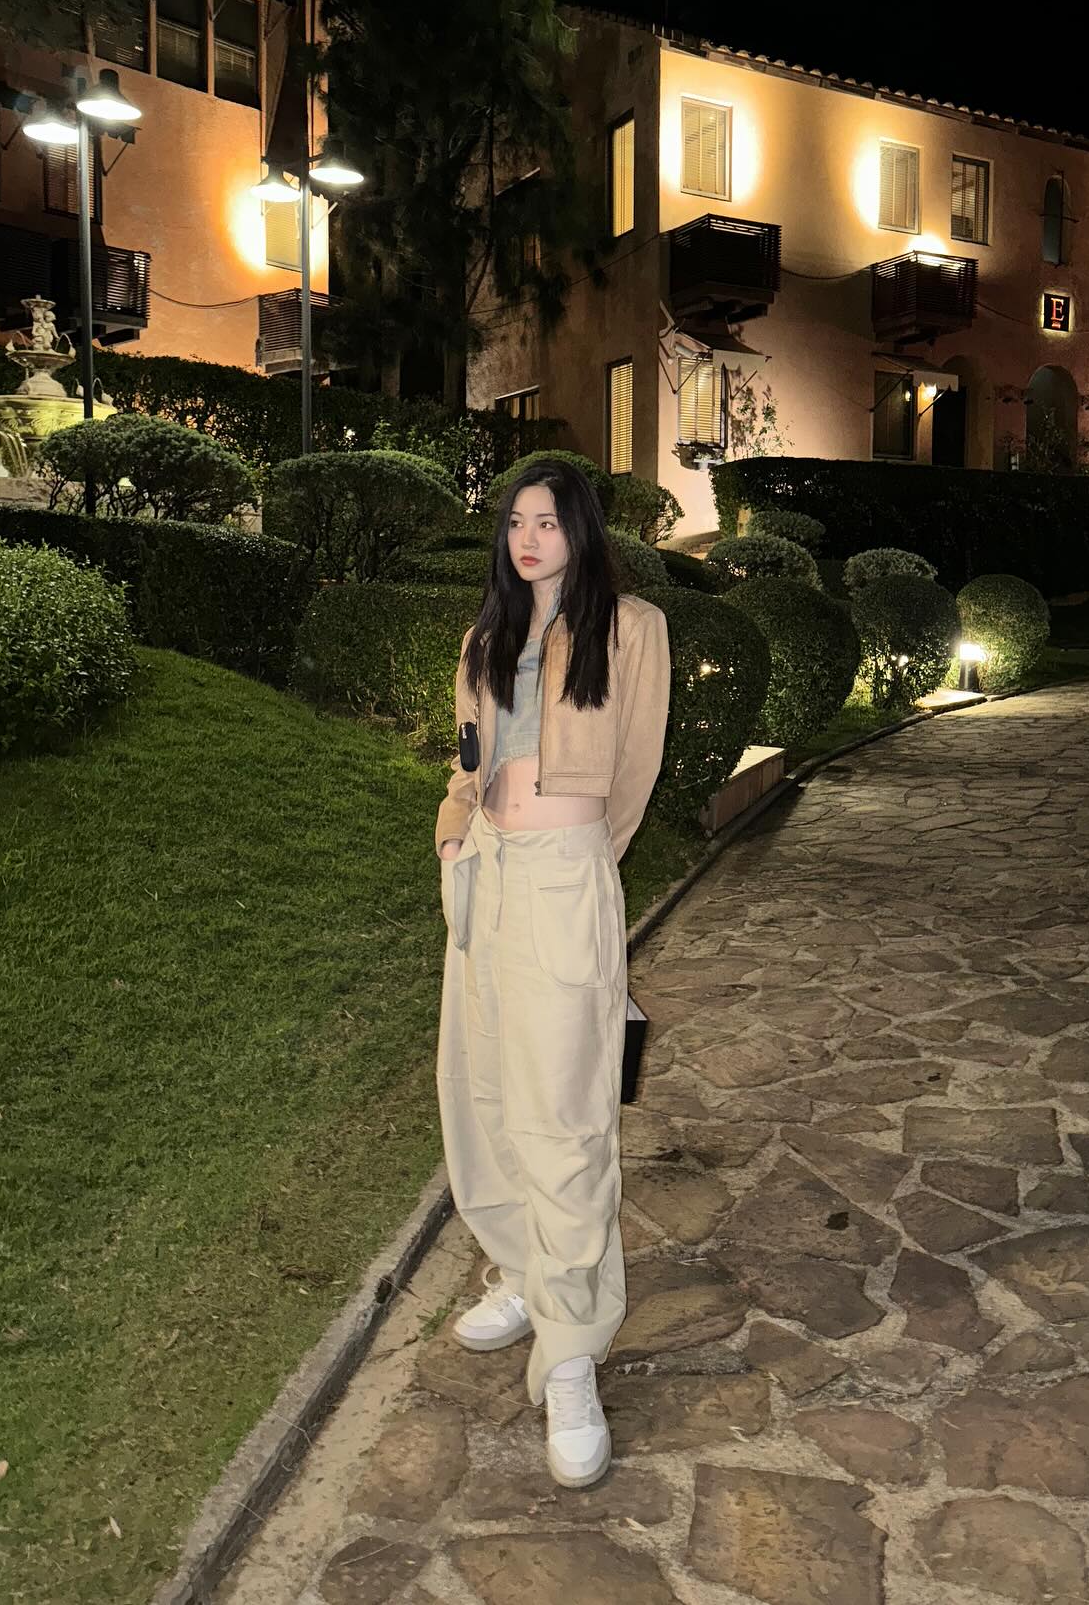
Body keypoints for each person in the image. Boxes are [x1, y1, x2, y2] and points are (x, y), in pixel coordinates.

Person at [433, 458, 671, 1488]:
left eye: (548, 520)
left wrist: (577, 865)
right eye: (516, 521)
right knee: (483, 1093)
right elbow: (466, 762)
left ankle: (572, 1350)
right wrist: (454, 835)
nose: (529, 538)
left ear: (580, 529)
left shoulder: (633, 629)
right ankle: (527, 1274)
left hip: (566, 879)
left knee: (567, 1119)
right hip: (484, 878)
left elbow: (636, 772)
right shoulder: (485, 636)